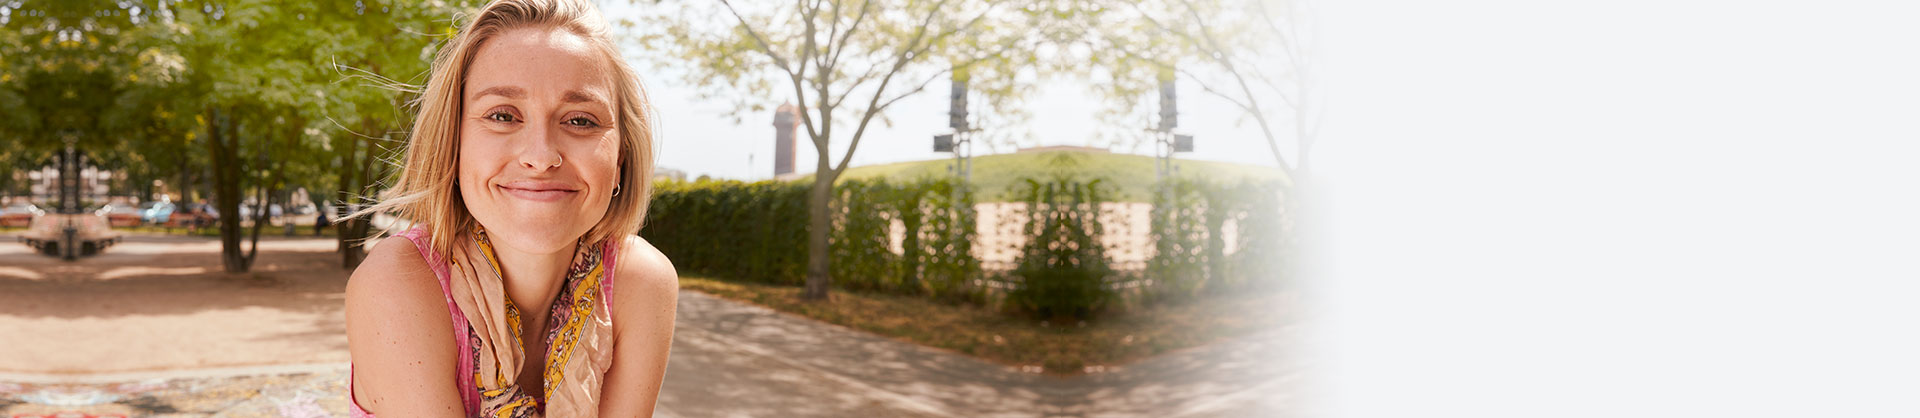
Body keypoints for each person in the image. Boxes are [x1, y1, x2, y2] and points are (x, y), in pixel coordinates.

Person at [342, 0, 678, 416]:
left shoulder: (640, 282)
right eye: (502, 115)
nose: (541, 156)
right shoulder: (400, 280)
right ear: (453, 142)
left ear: (622, 155)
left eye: (580, 121)